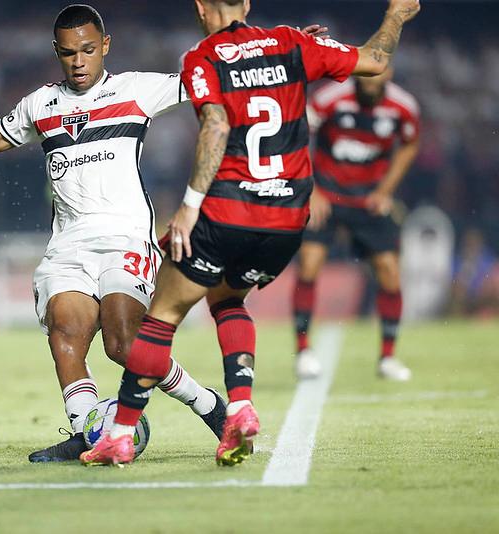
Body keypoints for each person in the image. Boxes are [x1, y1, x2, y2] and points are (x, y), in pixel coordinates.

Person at [0, 4, 230, 462]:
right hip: (69, 244)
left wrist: (292, 59)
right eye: (69, 53)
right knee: (65, 330)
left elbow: (216, 85)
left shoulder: (137, 89)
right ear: (57, 52)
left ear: (105, 47)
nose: (79, 61)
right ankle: (86, 428)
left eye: (89, 50)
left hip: (125, 237)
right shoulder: (41, 104)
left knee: (123, 344)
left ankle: (209, 404)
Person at [81, 0, 421, 467]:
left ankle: (119, 435)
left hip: (226, 210)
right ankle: (239, 407)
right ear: (246, 4)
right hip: (286, 219)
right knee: (227, 299)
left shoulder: (203, 57)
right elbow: (376, 61)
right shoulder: (294, 42)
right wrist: (397, 15)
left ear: (201, 7)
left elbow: (217, 124)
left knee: (163, 314)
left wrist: (188, 205)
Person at [293, 68, 420, 381]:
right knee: (309, 265)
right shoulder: (329, 98)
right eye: (365, 78)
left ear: (389, 73)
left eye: (376, 80)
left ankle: (388, 357)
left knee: (390, 271)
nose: (370, 85)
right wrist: (314, 189)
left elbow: (410, 144)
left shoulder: (404, 106)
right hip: (327, 196)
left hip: (369, 200)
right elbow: (296, 136)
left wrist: (386, 190)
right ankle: (304, 350)